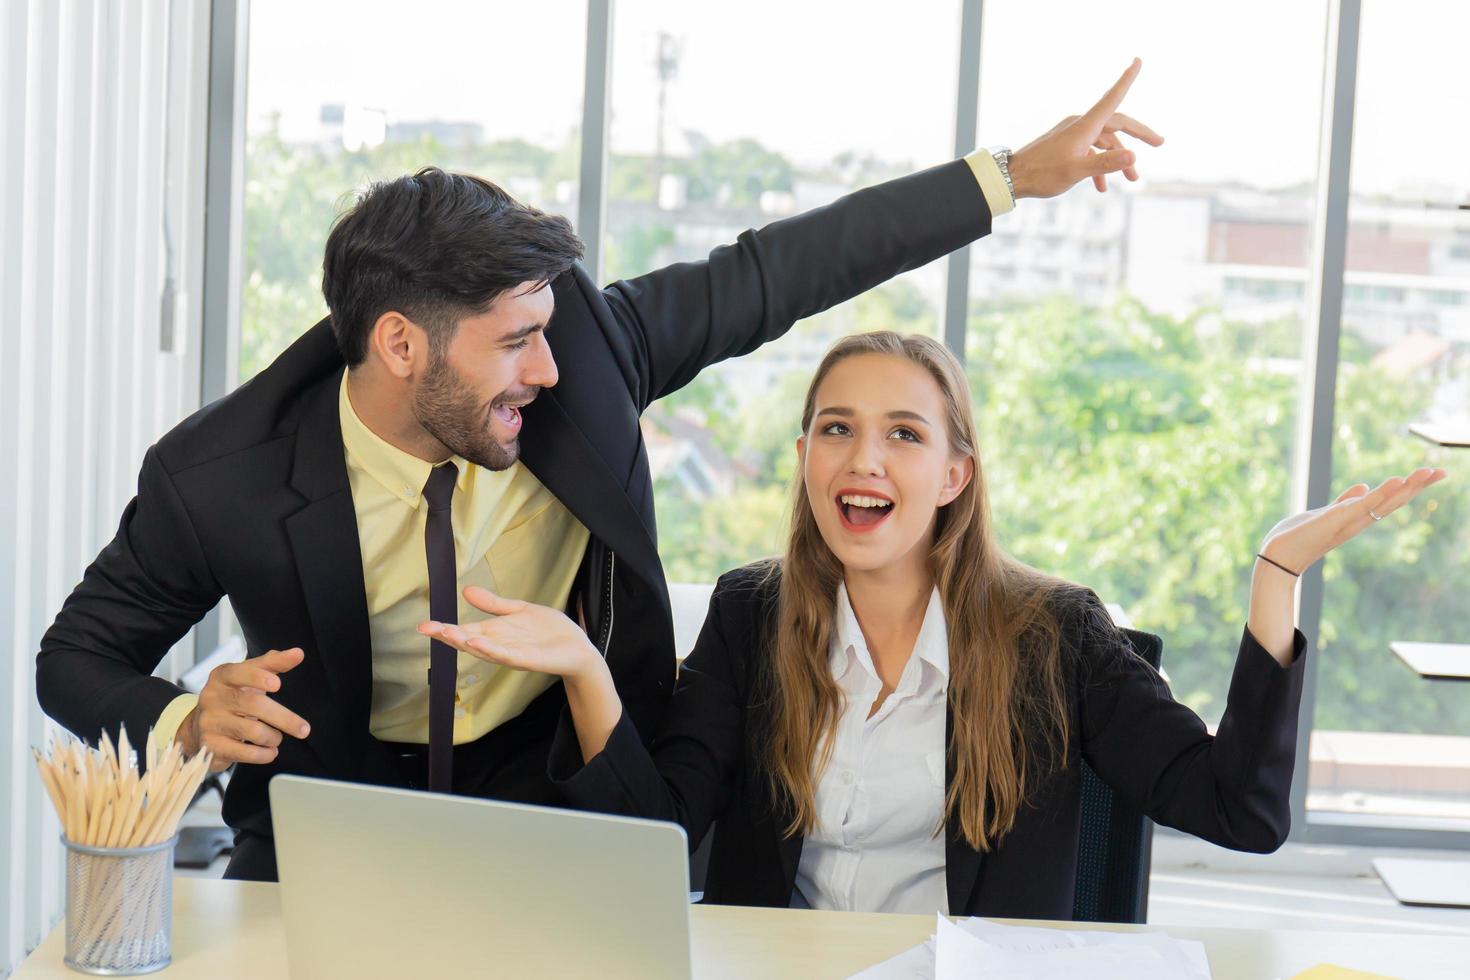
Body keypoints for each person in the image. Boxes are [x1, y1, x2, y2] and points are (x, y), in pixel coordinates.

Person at [35, 59, 1161, 882]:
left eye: (549, 326)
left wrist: (1011, 174)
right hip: (330, 832)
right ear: (399, 345)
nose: (552, 364)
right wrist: (182, 718)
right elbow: (75, 656)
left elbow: (785, 267)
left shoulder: (590, 351)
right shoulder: (220, 472)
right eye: (514, 341)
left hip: (563, 813)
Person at [420, 331, 1447, 918]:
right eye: (836, 429)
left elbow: (1243, 812)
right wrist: (586, 675)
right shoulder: (750, 613)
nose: (863, 459)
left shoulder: (1058, 634)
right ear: (807, 460)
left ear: (955, 475)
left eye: (902, 434)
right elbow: (657, 833)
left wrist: (1275, 578)